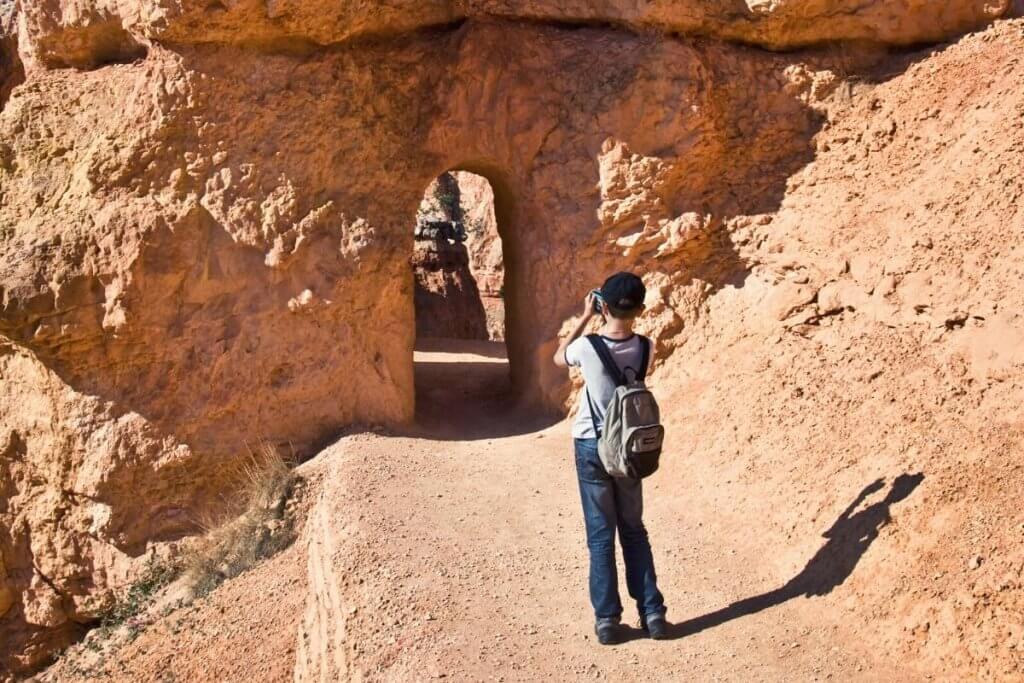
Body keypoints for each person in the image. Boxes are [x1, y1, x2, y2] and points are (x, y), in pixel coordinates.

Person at [553, 272, 668, 644]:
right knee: (634, 530)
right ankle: (652, 613)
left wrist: (586, 316)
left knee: (601, 536)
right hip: (630, 448)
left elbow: (559, 358)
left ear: (604, 305)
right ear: (640, 308)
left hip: (592, 444)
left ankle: (607, 620)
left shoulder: (587, 348)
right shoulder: (646, 346)